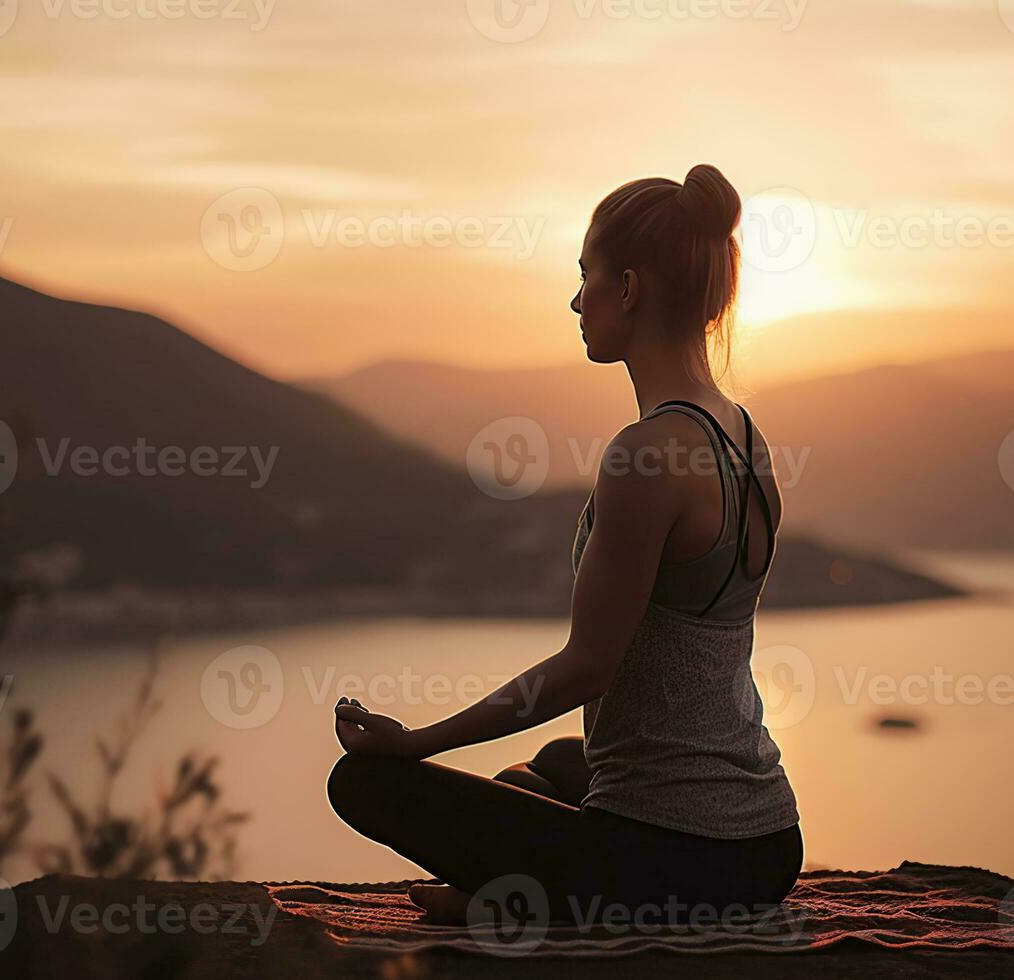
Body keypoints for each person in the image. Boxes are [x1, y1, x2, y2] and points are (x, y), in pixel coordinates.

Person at [326, 164, 801, 927]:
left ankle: (509, 897)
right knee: (546, 769)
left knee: (363, 785)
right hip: (767, 838)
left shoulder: (646, 455)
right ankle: (510, 885)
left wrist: (415, 744)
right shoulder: (742, 433)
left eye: (586, 275)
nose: (576, 300)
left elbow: (586, 667)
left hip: (685, 857)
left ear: (631, 288)